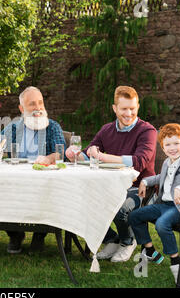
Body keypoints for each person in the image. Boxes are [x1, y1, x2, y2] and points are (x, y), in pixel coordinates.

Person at [65, 85, 157, 262]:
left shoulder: (147, 131)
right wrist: (75, 155)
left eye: (132, 108)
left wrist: (103, 157)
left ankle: (128, 241)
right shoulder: (106, 130)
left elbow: (139, 161)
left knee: (120, 207)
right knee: (82, 202)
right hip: (108, 185)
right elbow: (88, 153)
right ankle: (112, 240)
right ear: (114, 108)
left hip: (141, 188)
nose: (128, 113)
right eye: (124, 109)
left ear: (138, 107)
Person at [0, 86, 67, 254]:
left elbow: (61, 153)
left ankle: (39, 235)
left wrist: (48, 158)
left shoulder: (52, 127)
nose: (38, 107)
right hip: (16, 180)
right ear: (21, 109)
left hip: (43, 182)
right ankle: (15, 234)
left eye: (40, 103)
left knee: (49, 194)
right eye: (32, 104)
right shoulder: (13, 128)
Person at [129, 123, 180, 288]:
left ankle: (176, 261)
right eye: (168, 145)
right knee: (135, 216)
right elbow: (160, 178)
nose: (172, 148)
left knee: (162, 224)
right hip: (164, 204)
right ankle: (149, 250)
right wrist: (145, 181)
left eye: (176, 143)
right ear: (163, 148)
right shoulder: (167, 162)